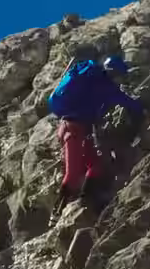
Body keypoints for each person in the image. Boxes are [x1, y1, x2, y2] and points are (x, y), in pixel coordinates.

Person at [47, 55, 143, 211]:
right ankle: (58, 211)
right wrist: (141, 106)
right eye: (119, 76)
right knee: (73, 175)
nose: (120, 80)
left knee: (96, 165)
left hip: (71, 128)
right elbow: (128, 102)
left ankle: (86, 203)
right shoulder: (106, 85)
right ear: (114, 72)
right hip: (74, 131)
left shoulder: (93, 80)